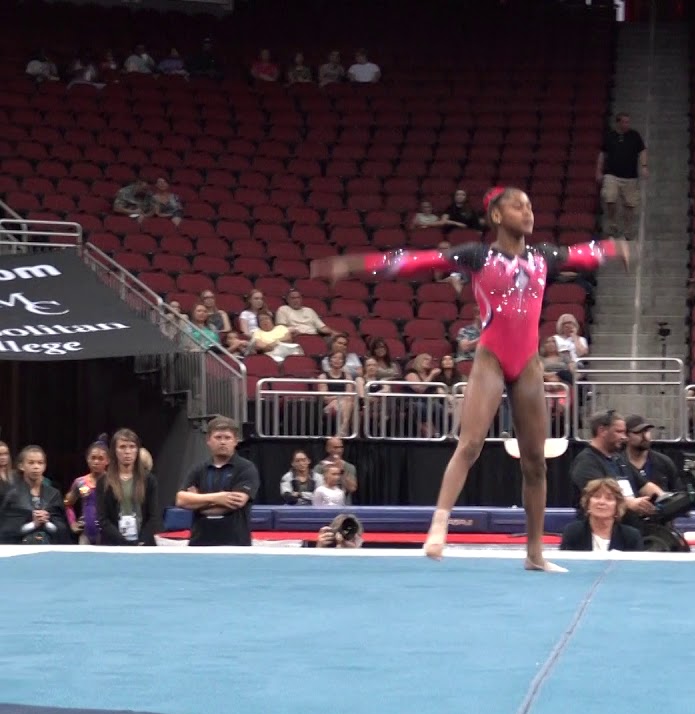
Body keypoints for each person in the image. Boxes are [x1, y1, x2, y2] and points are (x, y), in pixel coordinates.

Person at [312, 186, 629, 570]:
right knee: (470, 445)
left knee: (535, 462)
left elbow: (582, 253)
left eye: (530, 206)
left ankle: (534, 554)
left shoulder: (542, 255)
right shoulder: (478, 255)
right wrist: (356, 265)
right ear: (496, 215)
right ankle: (439, 525)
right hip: (491, 358)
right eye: (518, 206)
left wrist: (613, 249)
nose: (527, 212)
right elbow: (417, 260)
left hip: (528, 364)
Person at [175, 416, 262, 547]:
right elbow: (181, 500)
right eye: (218, 437)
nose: (222, 442)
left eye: (227, 438)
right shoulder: (198, 469)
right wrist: (219, 497)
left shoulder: (246, 468)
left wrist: (198, 501)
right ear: (208, 440)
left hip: (235, 542)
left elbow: (236, 502)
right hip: (200, 541)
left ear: (235, 441)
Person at [97, 428, 162, 546]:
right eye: (122, 447)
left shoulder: (149, 480)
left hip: (143, 544)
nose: (127, 451)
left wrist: (141, 541)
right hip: (114, 544)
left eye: (132, 447)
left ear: (137, 450)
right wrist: (123, 542)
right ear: (114, 451)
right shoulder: (104, 481)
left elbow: (153, 516)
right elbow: (103, 519)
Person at [559, 478, 644, 552]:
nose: (602, 502)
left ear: (617, 506)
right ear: (588, 503)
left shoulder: (631, 536)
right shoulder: (573, 532)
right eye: (596, 496)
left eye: (609, 498)